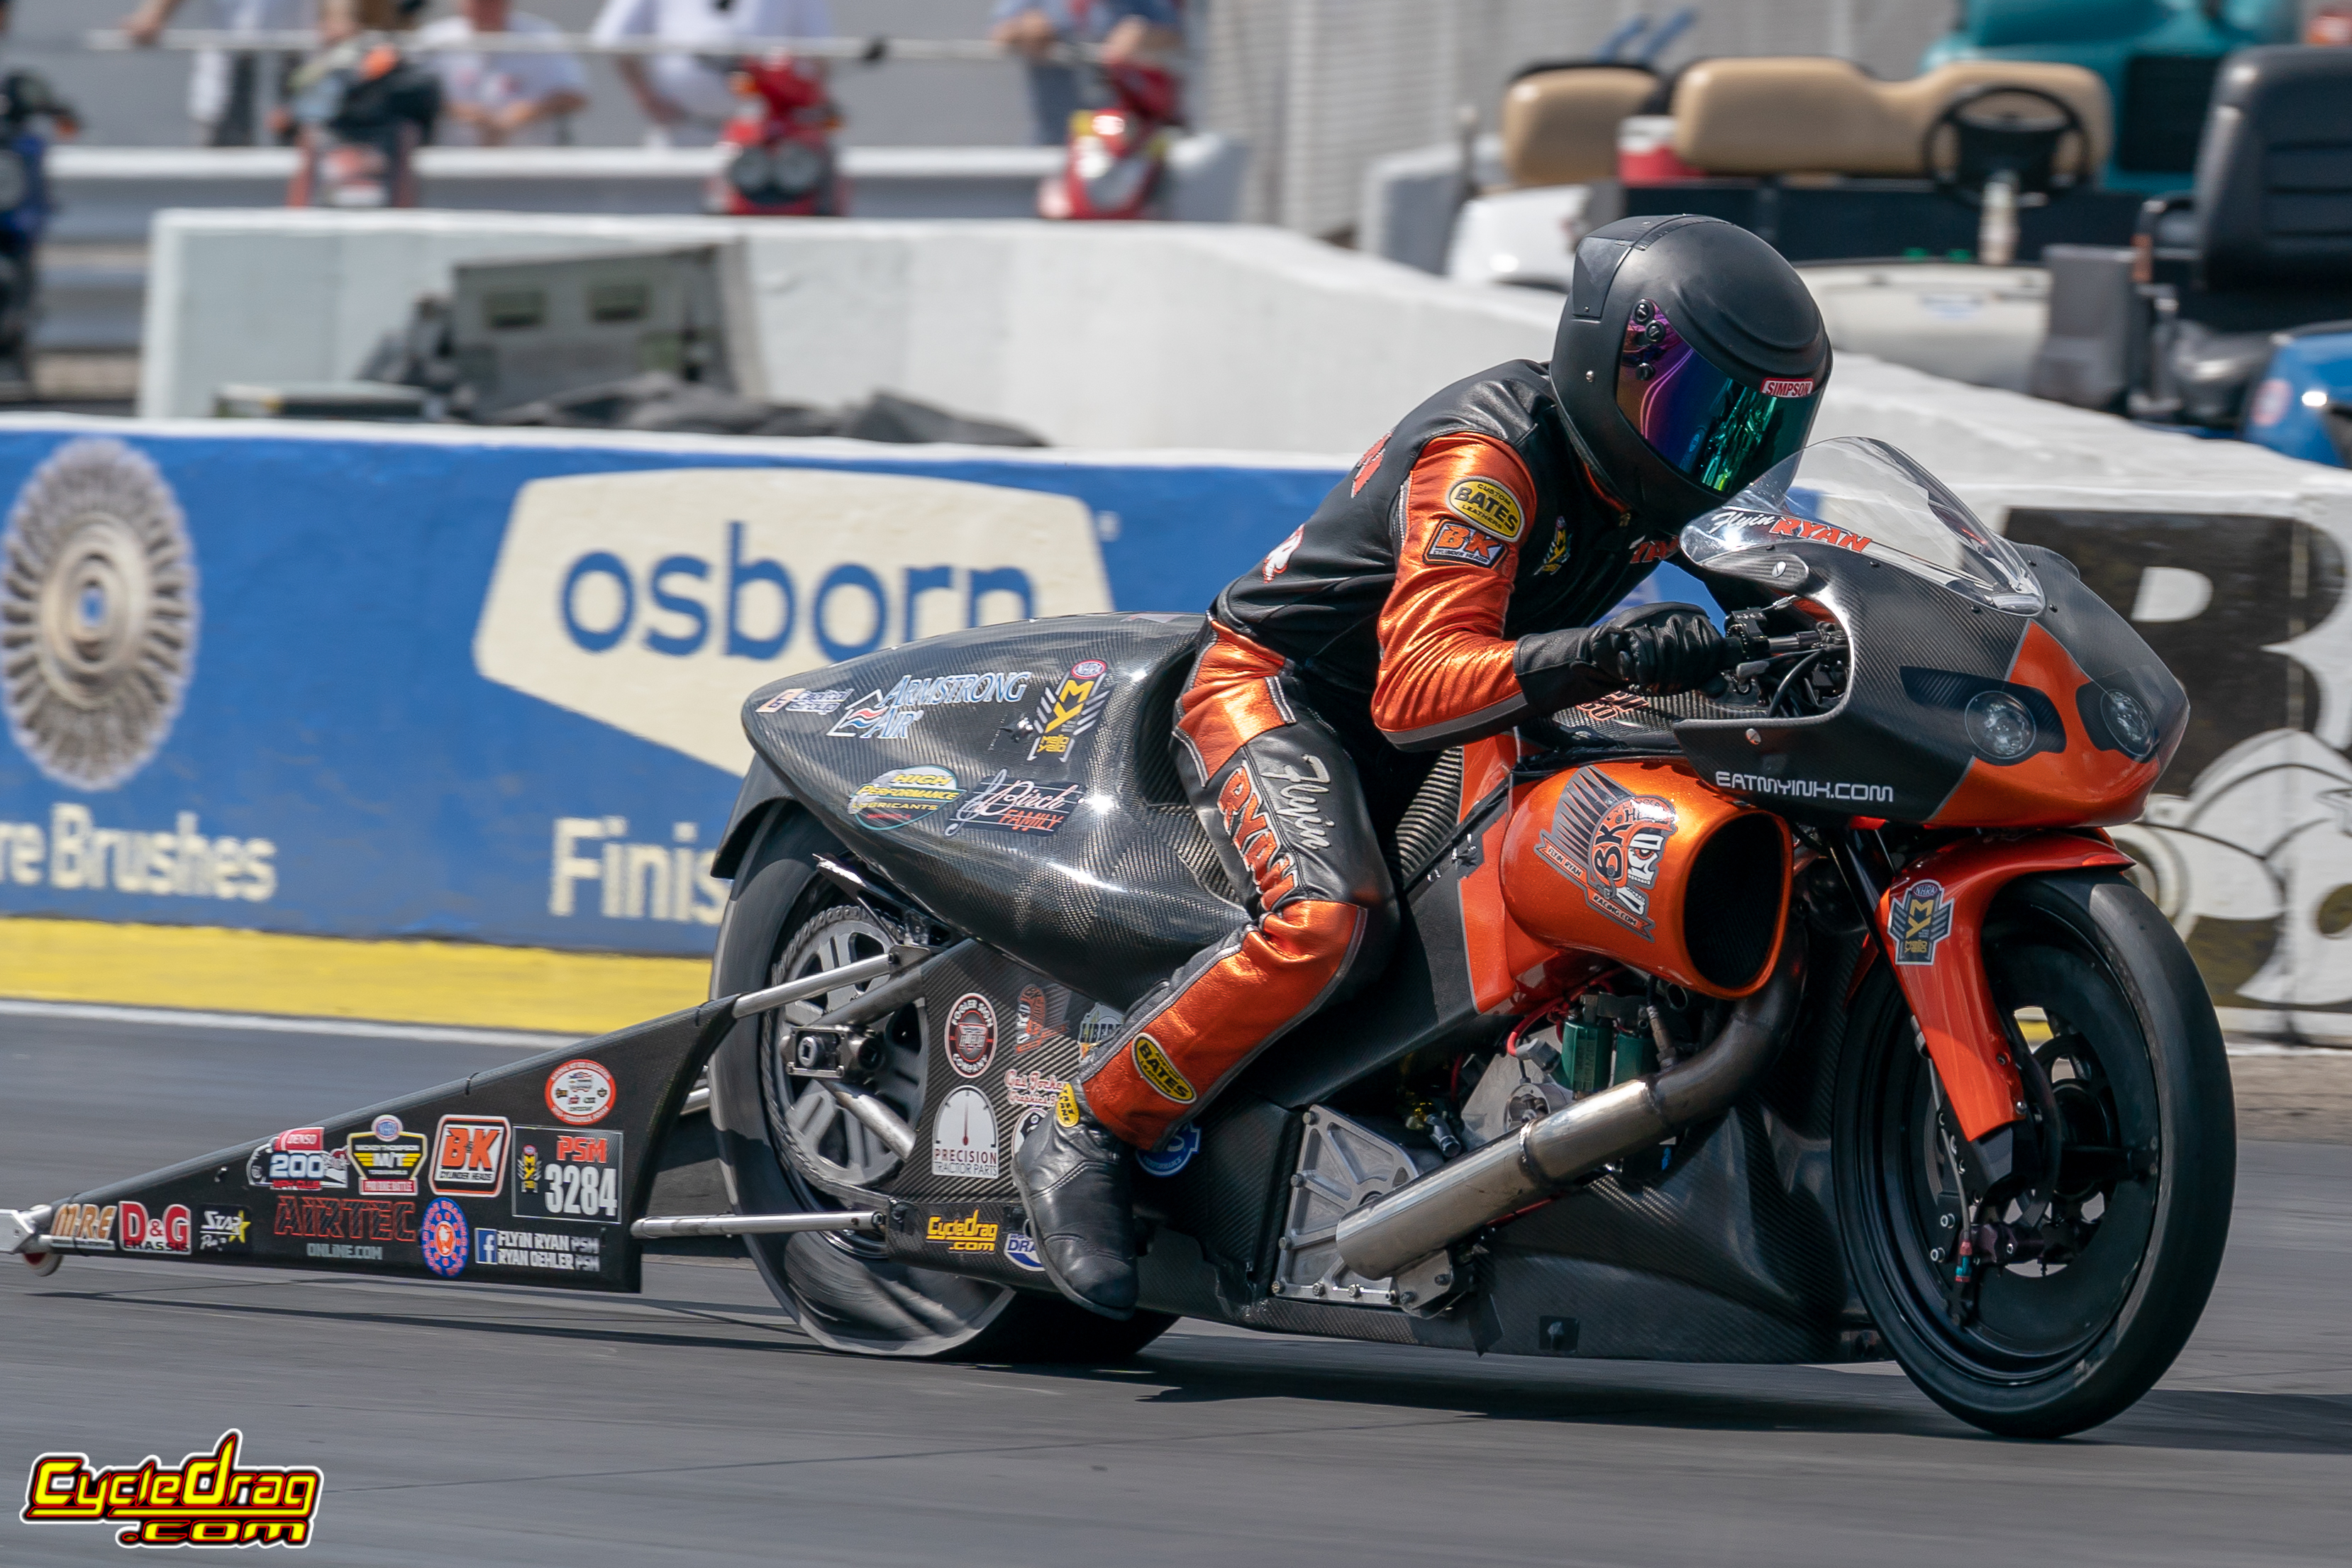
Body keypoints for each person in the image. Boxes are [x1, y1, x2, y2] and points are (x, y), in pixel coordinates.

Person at [1011, 215, 1834, 1319]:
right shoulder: (1490, 459)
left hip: (1456, 720)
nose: (1718, 452)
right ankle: (1086, 1126)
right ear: (1608, 361)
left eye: (1752, 428)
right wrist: (1612, 646)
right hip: (1289, 692)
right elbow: (1416, 685)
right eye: (1698, 412)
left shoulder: (1674, 482)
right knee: (1327, 923)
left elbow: (1785, 582)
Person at [590, 0, 831, 149]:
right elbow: (616, 37)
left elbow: (819, 54)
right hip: (681, 133)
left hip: (765, 142)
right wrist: (646, 98)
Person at [121, 0, 318, 147]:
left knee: (297, 181)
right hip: (225, 84)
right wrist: (152, 16)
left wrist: (338, 17)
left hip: (298, 85)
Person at [990, 0, 1183, 147]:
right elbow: (1000, 33)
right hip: (1054, 140)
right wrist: (1025, 27)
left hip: (1122, 144)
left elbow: (1173, 33)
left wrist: (1144, 35)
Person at [414, 0, 586, 146]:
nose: (486, 7)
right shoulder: (434, 39)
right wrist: (463, 113)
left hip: (531, 167)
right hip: (449, 165)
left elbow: (576, 95)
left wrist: (525, 113)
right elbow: (407, 95)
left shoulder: (542, 36)